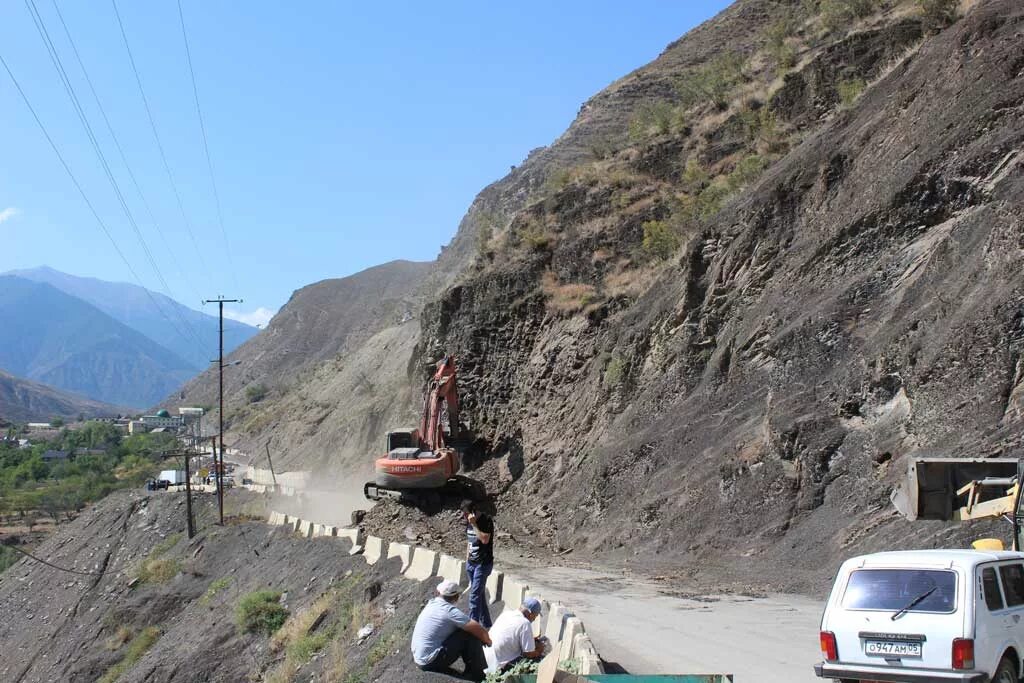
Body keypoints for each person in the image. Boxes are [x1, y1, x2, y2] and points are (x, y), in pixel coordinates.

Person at [411, 579, 491, 682]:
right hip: (430, 661)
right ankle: (477, 675)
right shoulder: (449, 611)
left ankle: (471, 672)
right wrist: (488, 641)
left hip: (419, 658)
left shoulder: (432, 603)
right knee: (468, 633)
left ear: (438, 593)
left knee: (463, 630)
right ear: (456, 597)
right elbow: (477, 628)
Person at [485, 596, 547, 673]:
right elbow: (528, 653)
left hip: (484, 660)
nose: (534, 619)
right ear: (530, 614)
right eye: (535, 616)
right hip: (496, 667)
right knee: (535, 661)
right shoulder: (525, 623)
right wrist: (539, 650)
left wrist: (531, 639)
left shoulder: (506, 614)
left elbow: (509, 636)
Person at [461, 499, 494, 628]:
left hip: (483, 563)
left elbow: (484, 539)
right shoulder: (468, 523)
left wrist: (474, 524)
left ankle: (472, 626)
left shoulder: (485, 521)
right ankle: (486, 625)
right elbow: (469, 541)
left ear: (474, 512)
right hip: (471, 563)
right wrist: (467, 559)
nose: (464, 516)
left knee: (474, 595)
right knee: (479, 595)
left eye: (466, 513)